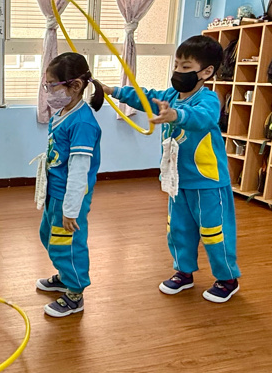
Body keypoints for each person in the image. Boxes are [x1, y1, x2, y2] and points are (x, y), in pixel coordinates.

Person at [100, 35, 240, 303]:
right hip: (177, 180)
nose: (178, 71)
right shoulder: (170, 96)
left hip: (207, 181)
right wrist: (112, 90)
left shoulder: (208, 99)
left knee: (214, 232)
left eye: (186, 67)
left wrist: (176, 115)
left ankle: (227, 279)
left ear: (206, 72)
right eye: (176, 65)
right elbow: (144, 96)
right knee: (178, 229)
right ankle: (183, 272)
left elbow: (203, 118)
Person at [34, 52, 104, 317]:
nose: (49, 93)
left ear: (75, 86)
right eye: (46, 86)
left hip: (69, 195)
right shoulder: (63, 112)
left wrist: (71, 209)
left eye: (53, 86)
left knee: (68, 243)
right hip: (55, 191)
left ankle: (75, 293)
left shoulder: (83, 122)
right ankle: (65, 276)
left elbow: (79, 170)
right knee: (49, 236)